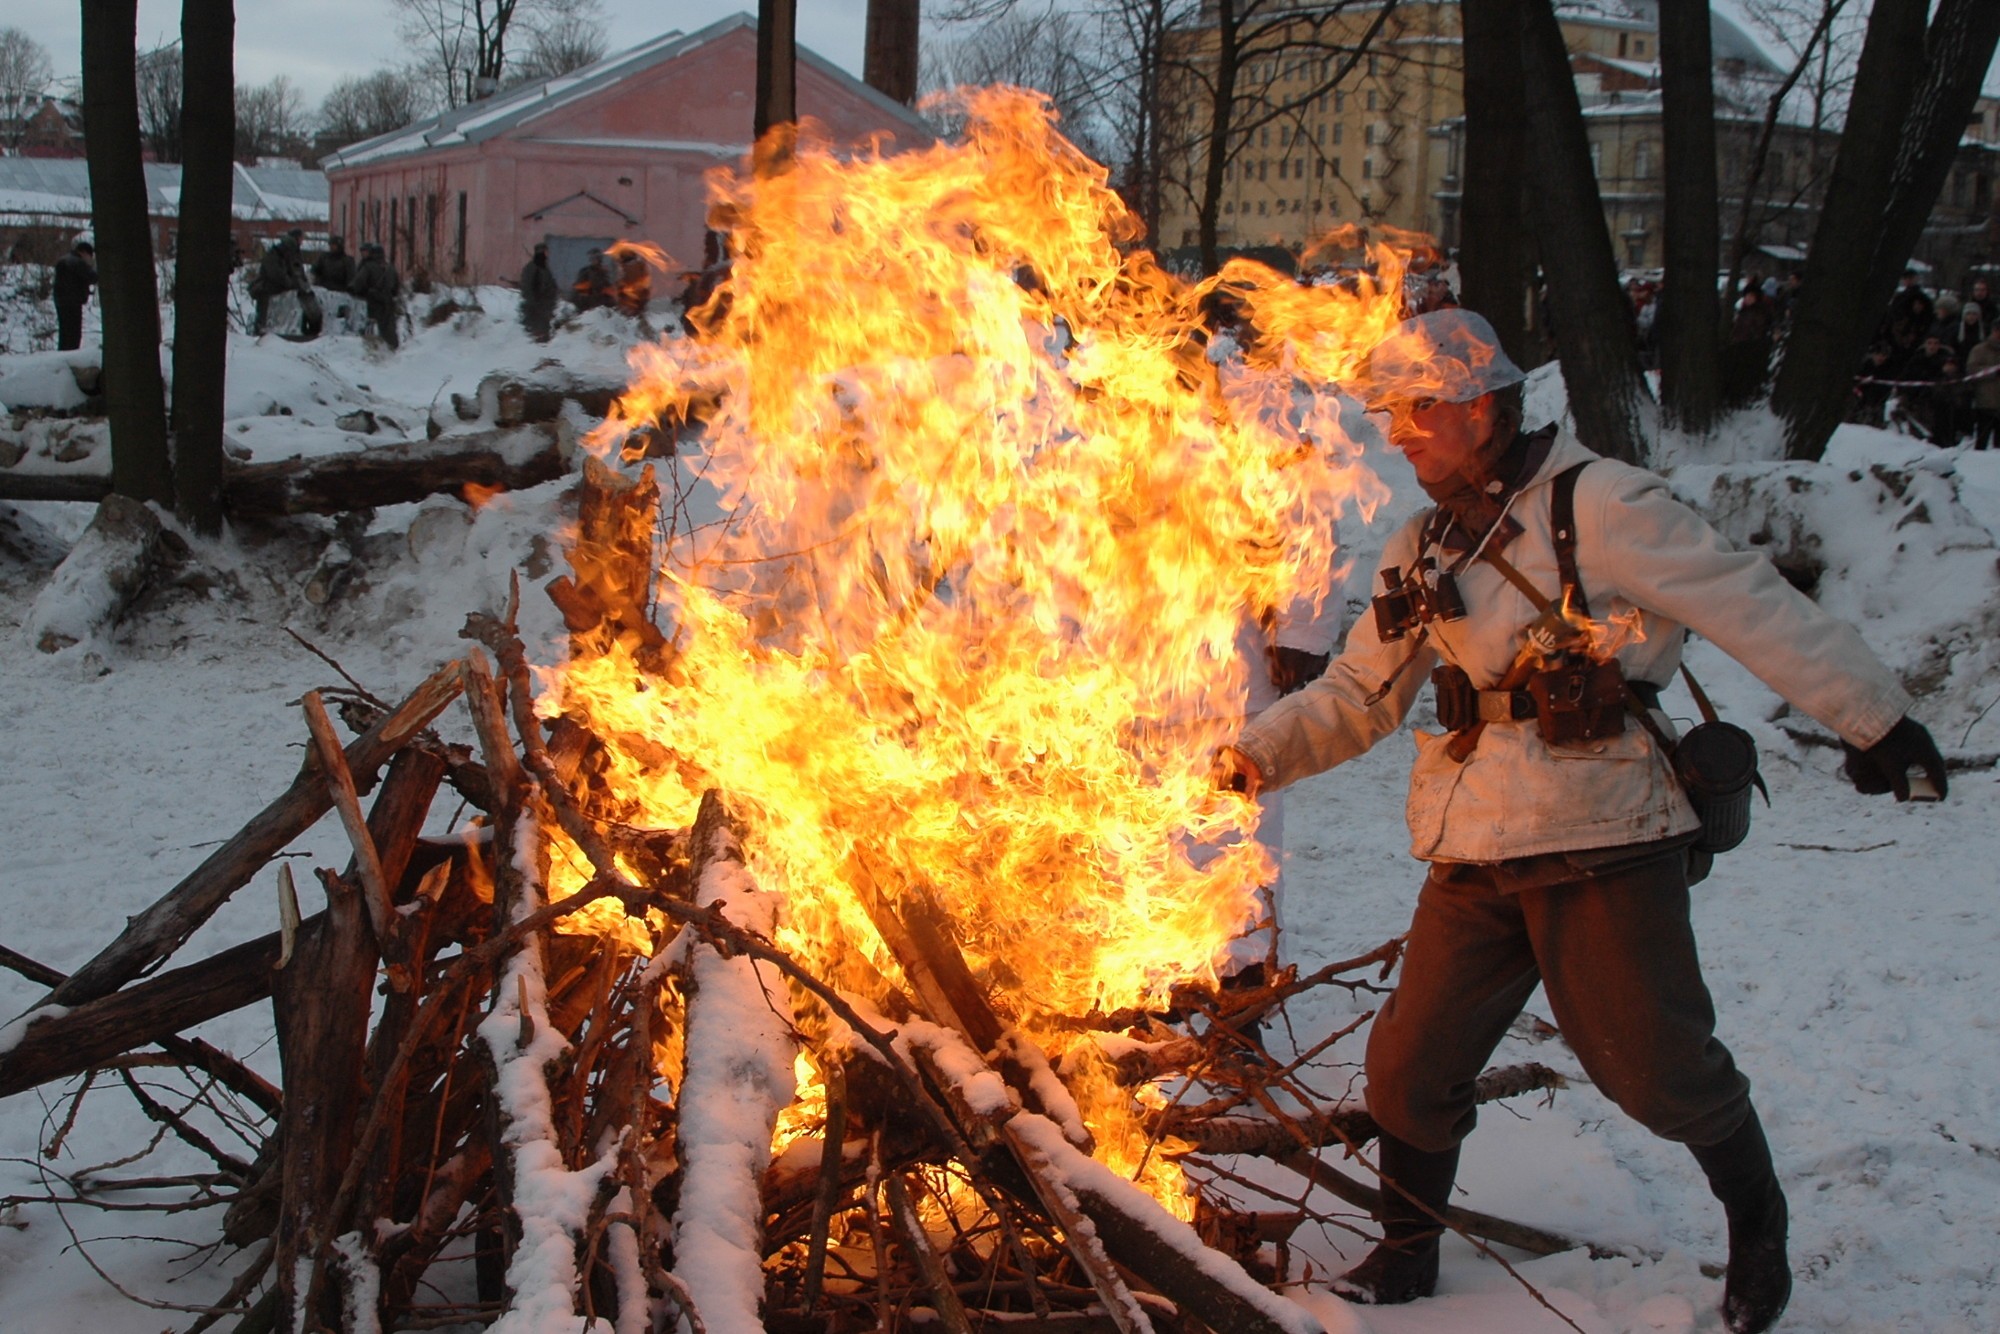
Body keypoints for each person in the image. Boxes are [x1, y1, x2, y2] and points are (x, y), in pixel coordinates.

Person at [1213, 308, 1948, 1334]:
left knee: (1654, 1069)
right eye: (1387, 412)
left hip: (1602, 834)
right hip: (1470, 838)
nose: (1395, 432)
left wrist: (1873, 718)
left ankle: (1756, 1218)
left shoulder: (1599, 504)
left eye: (1414, 411)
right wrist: (1254, 750)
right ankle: (1405, 1248)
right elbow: (1361, 690)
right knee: (1408, 1067)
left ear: (1477, 405)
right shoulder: (1419, 539)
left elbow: (1745, 603)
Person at [351, 242, 402, 351]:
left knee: (370, 328)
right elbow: (396, 288)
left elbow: (357, 284)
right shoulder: (391, 268)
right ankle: (393, 351)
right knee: (389, 329)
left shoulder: (368, 267)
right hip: (388, 302)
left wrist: (356, 291)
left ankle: (373, 351)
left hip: (372, 302)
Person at [52, 239, 95, 351]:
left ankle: (62, 353)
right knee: (74, 333)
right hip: (73, 301)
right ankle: (71, 354)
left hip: (60, 301)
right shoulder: (77, 262)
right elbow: (92, 277)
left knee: (64, 332)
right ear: (84, 253)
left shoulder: (64, 260)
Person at [1965, 323, 2000, 450]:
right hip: (1985, 402)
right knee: (1982, 442)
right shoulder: (1979, 350)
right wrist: (1993, 371)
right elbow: (1972, 370)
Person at [519, 242, 561, 342]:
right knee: (538, 334)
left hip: (545, 306)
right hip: (537, 307)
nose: (547, 254)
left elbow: (550, 284)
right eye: (545, 252)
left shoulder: (544, 268)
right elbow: (528, 288)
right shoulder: (532, 268)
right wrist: (535, 303)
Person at [613, 245, 652, 318]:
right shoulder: (641, 264)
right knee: (638, 311)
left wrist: (620, 288)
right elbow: (646, 277)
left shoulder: (625, 267)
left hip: (631, 295)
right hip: (640, 293)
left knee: (630, 313)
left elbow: (621, 280)